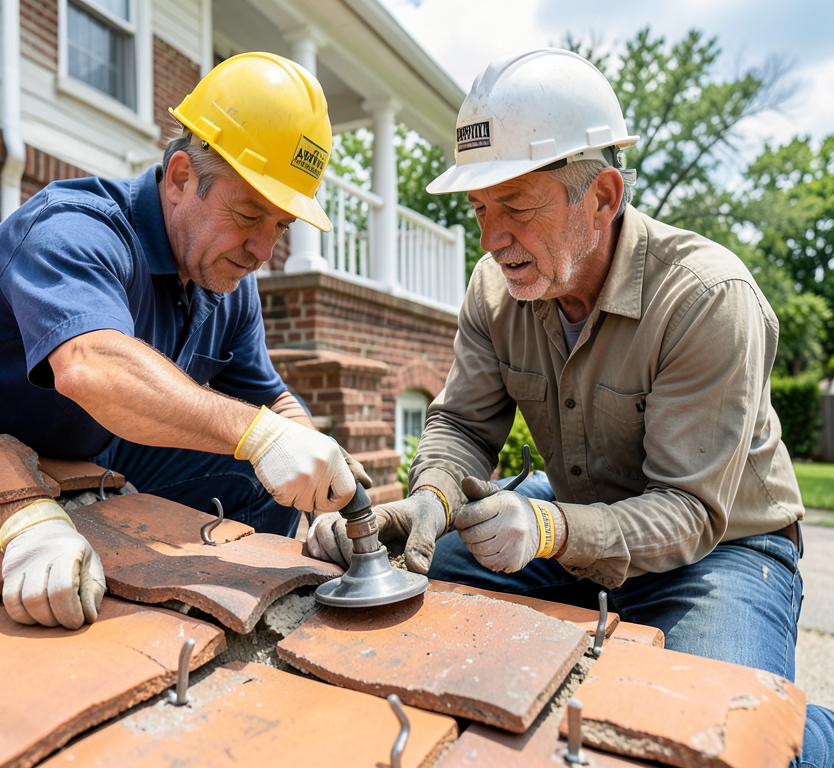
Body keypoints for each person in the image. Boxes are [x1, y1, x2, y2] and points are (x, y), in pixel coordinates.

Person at [307, 48, 832, 766]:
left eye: (516, 208)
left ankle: (812, 733)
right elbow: (461, 423)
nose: (491, 240)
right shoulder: (496, 290)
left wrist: (547, 527)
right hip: (570, 516)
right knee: (402, 601)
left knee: (722, 740)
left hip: (722, 548)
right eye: (480, 209)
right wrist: (429, 500)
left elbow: (687, 511)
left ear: (604, 196)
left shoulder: (708, 299)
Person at [0, 52, 367, 632]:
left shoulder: (225, 283)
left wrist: (325, 483)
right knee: (254, 447)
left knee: (263, 477)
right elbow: (91, 367)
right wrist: (261, 435)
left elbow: (270, 405)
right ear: (180, 179)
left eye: (281, 228)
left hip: (86, 452)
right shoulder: (73, 227)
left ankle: (244, 624)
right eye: (250, 215)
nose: (262, 251)